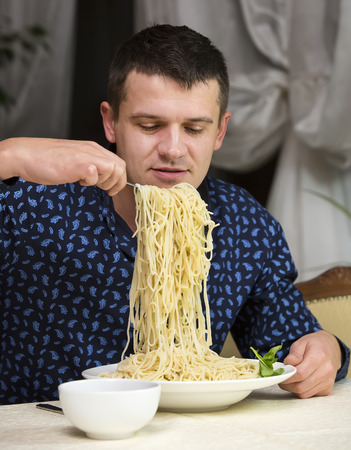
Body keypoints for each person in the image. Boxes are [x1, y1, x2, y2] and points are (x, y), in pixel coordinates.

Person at [0, 24, 349, 405]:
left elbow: (286, 347)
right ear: (110, 121)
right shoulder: (30, 200)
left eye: (195, 128)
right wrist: (10, 155)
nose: (173, 149)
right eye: (150, 126)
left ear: (220, 132)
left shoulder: (244, 224)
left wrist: (325, 348)